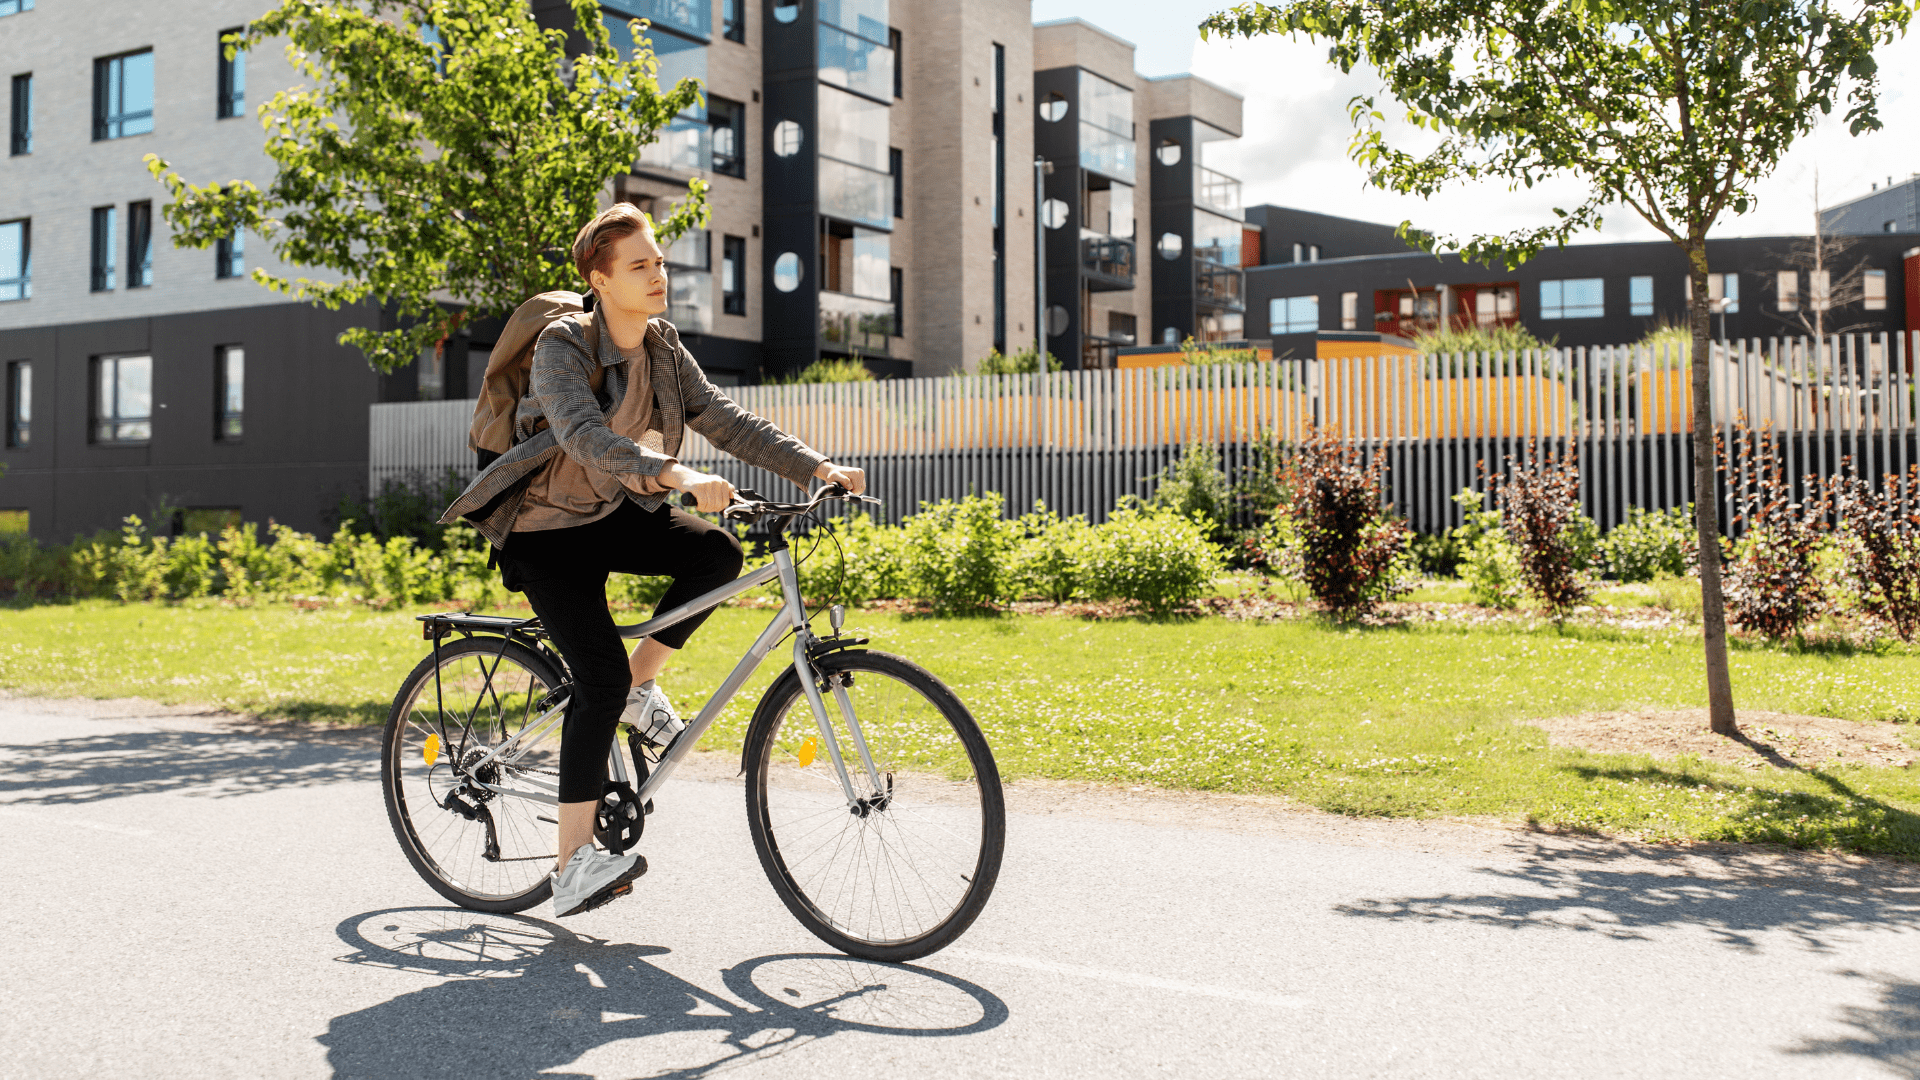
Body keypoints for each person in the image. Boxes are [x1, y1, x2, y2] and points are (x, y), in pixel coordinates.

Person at [440, 203, 866, 917]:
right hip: (543, 532)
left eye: (659, 261)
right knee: (596, 680)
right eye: (640, 265)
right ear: (600, 280)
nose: (658, 273)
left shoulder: (664, 348)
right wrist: (676, 476)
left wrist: (813, 466)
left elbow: (727, 421)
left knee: (717, 552)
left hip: (610, 516)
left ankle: (638, 690)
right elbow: (584, 438)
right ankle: (573, 864)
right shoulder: (562, 346)